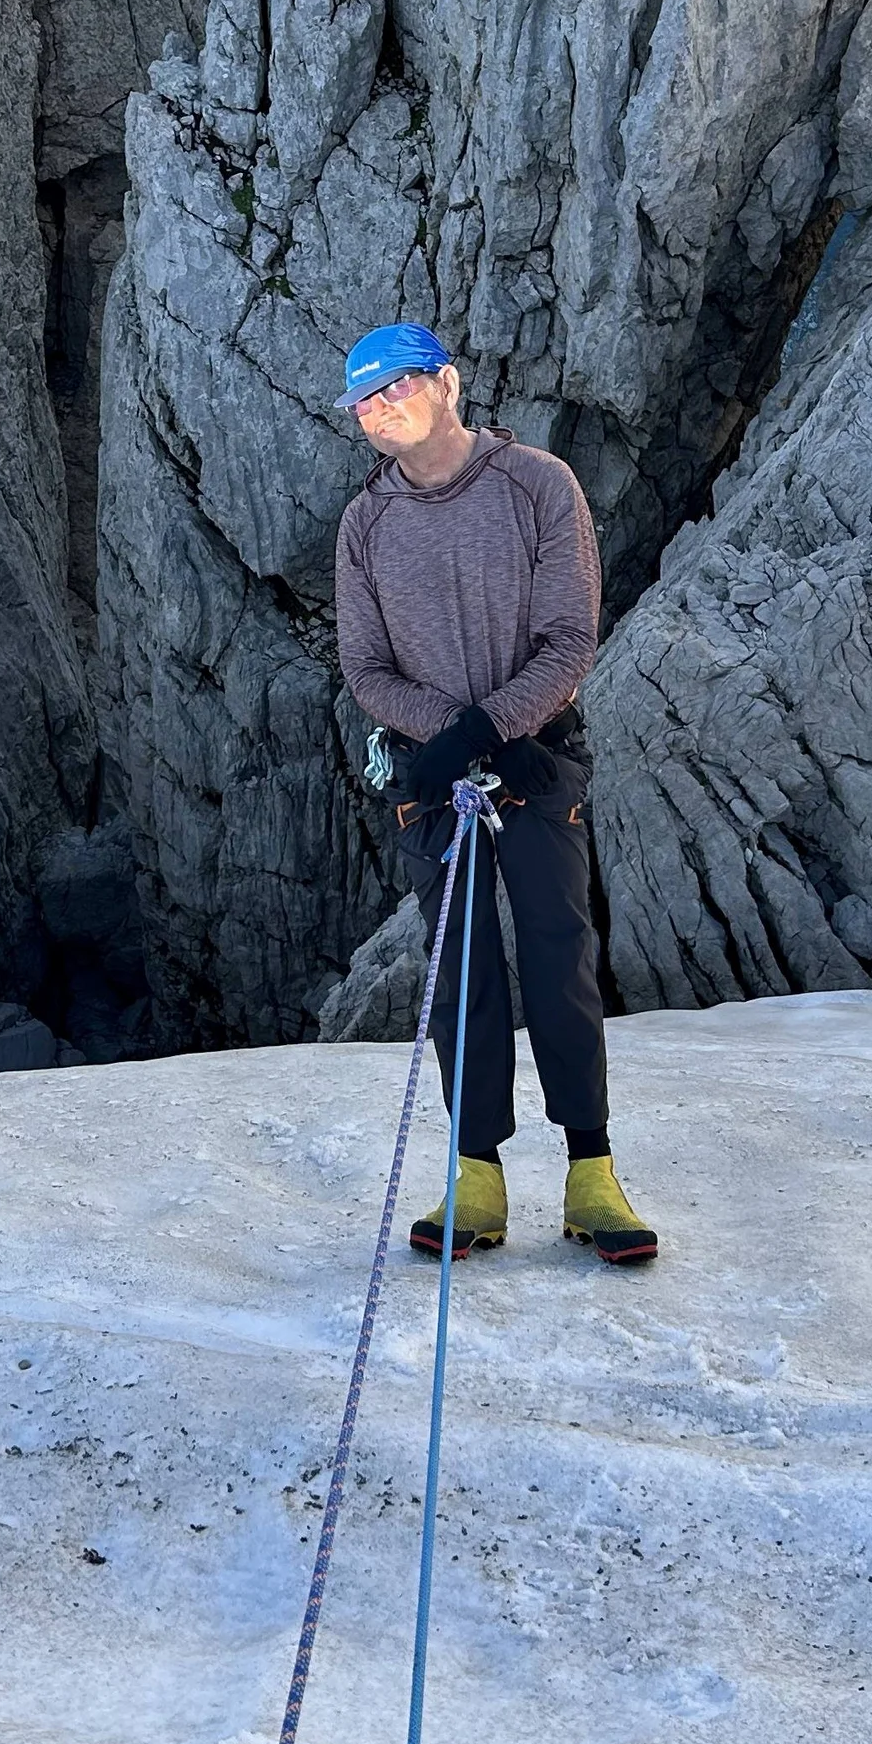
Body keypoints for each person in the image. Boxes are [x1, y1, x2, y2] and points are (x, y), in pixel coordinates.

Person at [333, 322, 658, 1265]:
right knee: (461, 971)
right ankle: (475, 1174)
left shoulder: (538, 485)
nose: (379, 410)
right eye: (364, 401)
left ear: (447, 382)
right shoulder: (365, 525)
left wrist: (487, 731)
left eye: (396, 387)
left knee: (561, 959)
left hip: (535, 762)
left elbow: (570, 640)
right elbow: (365, 666)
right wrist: (452, 736)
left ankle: (592, 1173)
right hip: (438, 778)